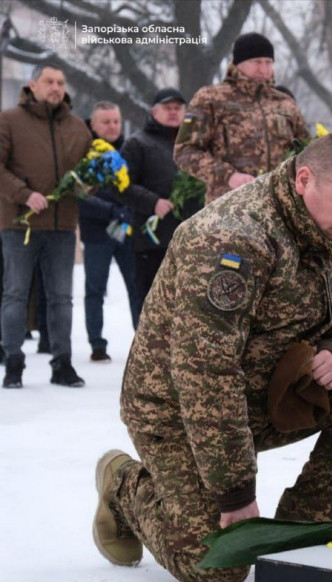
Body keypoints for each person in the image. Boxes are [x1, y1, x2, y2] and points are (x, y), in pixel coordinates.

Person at [92, 132, 332, 582]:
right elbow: (205, 375)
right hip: (177, 411)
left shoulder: (330, 230)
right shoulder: (231, 238)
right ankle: (124, 484)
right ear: (304, 180)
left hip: (264, 396)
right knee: (217, 568)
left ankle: (301, 532)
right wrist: (235, 491)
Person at [0, 62, 92, 388]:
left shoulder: (78, 126)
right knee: (14, 295)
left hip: (62, 226)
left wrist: (89, 184)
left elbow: (86, 172)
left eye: (61, 82)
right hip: (18, 225)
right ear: (32, 85)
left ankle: (62, 364)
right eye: (49, 81)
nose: (56, 87)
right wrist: (23, 194)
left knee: (61, 299)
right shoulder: (9, 120)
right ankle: (13, 363)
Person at [174, 32, 310, 203]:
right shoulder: (211, 98)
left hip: (278, 207)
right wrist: (228, 176)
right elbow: (185, 151)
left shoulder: (285, 103)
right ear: (238, 64)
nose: (264, 69)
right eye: (257, 62)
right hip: (228, 208)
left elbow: (305, 150)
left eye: (268, 62)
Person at [121, 87, 202, 319]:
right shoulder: (137, 144)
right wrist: (152, 202)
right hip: (151, 241)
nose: (173, 112)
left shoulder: (193, 146)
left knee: (186, 306)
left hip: (190, 239)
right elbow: (121, 186)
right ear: (154, 112)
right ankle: (146, 354)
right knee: (151, 306)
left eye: (178, 108)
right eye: (167, 108)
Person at [79, 101, 140, 362]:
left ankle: (143, 341)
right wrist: (111, 211)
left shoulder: (131, 150)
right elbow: (79, 193)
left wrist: (129, 210)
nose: (112, 126)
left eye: (116, 121)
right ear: (93, 124)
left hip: (128, 230)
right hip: (97, 232)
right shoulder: (83, 152)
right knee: (95, 289)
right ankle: (97, 343)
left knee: (137, 288)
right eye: (106, 121)